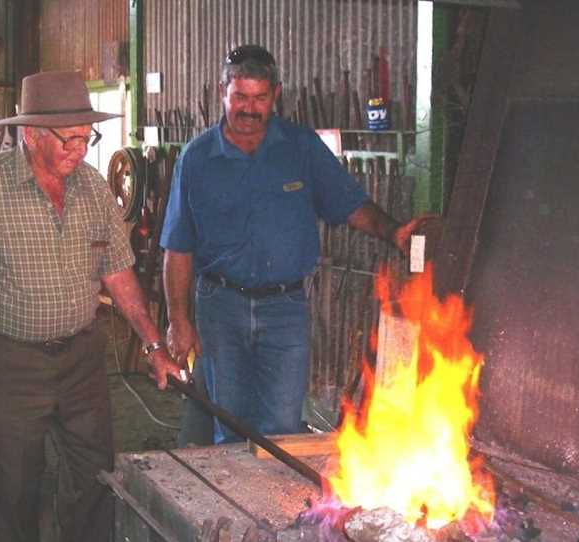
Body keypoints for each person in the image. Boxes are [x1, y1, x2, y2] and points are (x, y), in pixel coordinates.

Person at [0, 70, 185, 542]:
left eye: (88, 138)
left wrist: (153, 344)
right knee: (13, 489)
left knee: (94, 479)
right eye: (69, 139)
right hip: (8, 364)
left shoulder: (91, 186)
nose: (80, 150)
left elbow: (118, 273)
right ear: (30, 134)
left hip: (82, 361)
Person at [161, 45, 432, 444]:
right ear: (223, 91)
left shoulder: (300, 147)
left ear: (276, 94)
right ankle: (232, 506)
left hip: (285, 310)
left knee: (283, 430)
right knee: (231, 427)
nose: (249, 109)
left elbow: (350, 204)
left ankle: (268, 509)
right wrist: (178, 320)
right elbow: (178, 247)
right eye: (239, 96)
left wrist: (392, 231)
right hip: (221, 309)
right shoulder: (197, 158)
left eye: (260, 97)